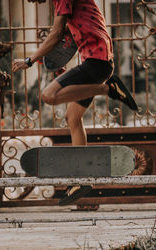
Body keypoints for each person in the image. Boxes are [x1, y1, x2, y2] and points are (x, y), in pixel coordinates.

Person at [12, 0, 138, 205]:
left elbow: (55, 34)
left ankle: (109, 89)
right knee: (73, 118)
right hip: (98, 62)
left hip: (97, 62)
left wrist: (29, 60)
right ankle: (81, 180)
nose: (31, 2)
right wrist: (61, 67)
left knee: (48, 95)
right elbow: (69, 37)